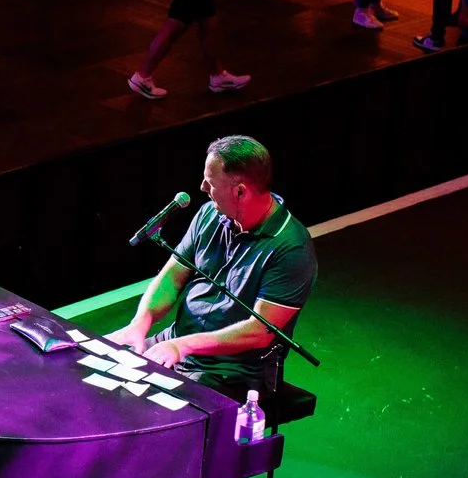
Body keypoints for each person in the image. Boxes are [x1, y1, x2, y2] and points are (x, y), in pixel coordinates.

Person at [107, 135, 316, 398]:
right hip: (177, 344)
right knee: (97, 368)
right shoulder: (209, 214)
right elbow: (172, 278)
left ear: (240, 191)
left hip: (233, 371)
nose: (203, 187)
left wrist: (183, 346)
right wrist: (140, 323)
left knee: (142, 406)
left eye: (211, 182)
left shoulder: (291, 248)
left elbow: (258, 332)